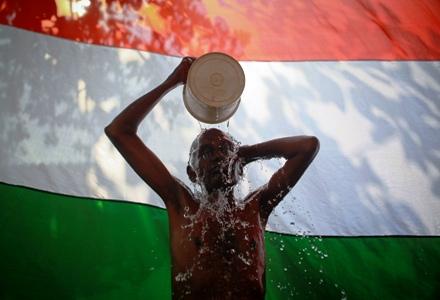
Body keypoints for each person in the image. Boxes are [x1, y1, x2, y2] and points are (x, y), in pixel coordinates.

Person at [105, 57, 319, 299]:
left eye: (227, 150)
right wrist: (172, 82)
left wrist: (247, 153)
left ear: (239, 166)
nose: (219, 157)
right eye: (206, 152)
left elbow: (307, 146)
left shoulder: (257, 208)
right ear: (192, 173)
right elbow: (119, 131)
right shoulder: (181, 203)